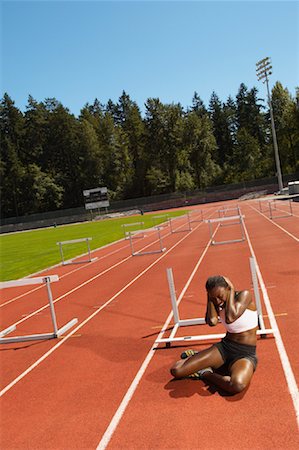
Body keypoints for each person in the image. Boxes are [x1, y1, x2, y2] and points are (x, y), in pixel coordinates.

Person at [170, 275, 258, 394]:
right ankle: (199, 357)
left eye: (220, 296)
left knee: (236, 385)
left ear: (228, 289)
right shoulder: (217, 302)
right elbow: (212, 321)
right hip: (225, 348)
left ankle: (206, 373)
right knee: (177, 370)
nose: (217, 300)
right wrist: (210, 297)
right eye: (213, 297)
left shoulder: (244, 295)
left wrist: (231, 290)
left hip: (244, 354)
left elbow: (230, 317)